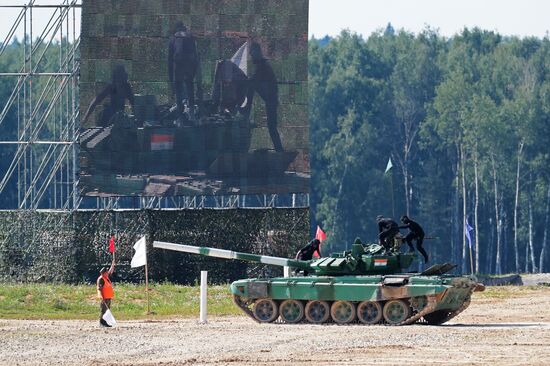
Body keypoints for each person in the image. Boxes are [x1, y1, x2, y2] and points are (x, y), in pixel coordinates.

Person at [241, 42, 283, 152]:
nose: (251, 57)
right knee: (272, 127)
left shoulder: (263, 66)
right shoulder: (261, 66)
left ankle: (279, 150)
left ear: (257, 53)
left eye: (252, 54)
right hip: (270, 99)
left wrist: (245, 81)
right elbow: (254, 80)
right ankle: (279, 150)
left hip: (271, 100)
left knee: (272, 127)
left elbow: (254, 80)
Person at [168, 22, 199, 119]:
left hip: (178, 67)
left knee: (178, 88)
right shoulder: (190, 37)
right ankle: (191, 112)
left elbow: (169, 60)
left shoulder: (173, 38)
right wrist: (194, 72)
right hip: (190, 66)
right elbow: (195, 56)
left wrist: (170, 77)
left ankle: (180, 116)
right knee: (190, 86)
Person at [96, 252, 115, 327]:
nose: (108, 272)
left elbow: (111, 271)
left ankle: (105, 322)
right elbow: (99, 289)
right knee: (103, 310)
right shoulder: (101, 279)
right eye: (106, 272)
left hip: (108, 297)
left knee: (107, 310)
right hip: (104, 297)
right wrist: (102, 297)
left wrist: (112, 264)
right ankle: (101, 323)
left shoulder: (106, 277)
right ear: (104, 273)